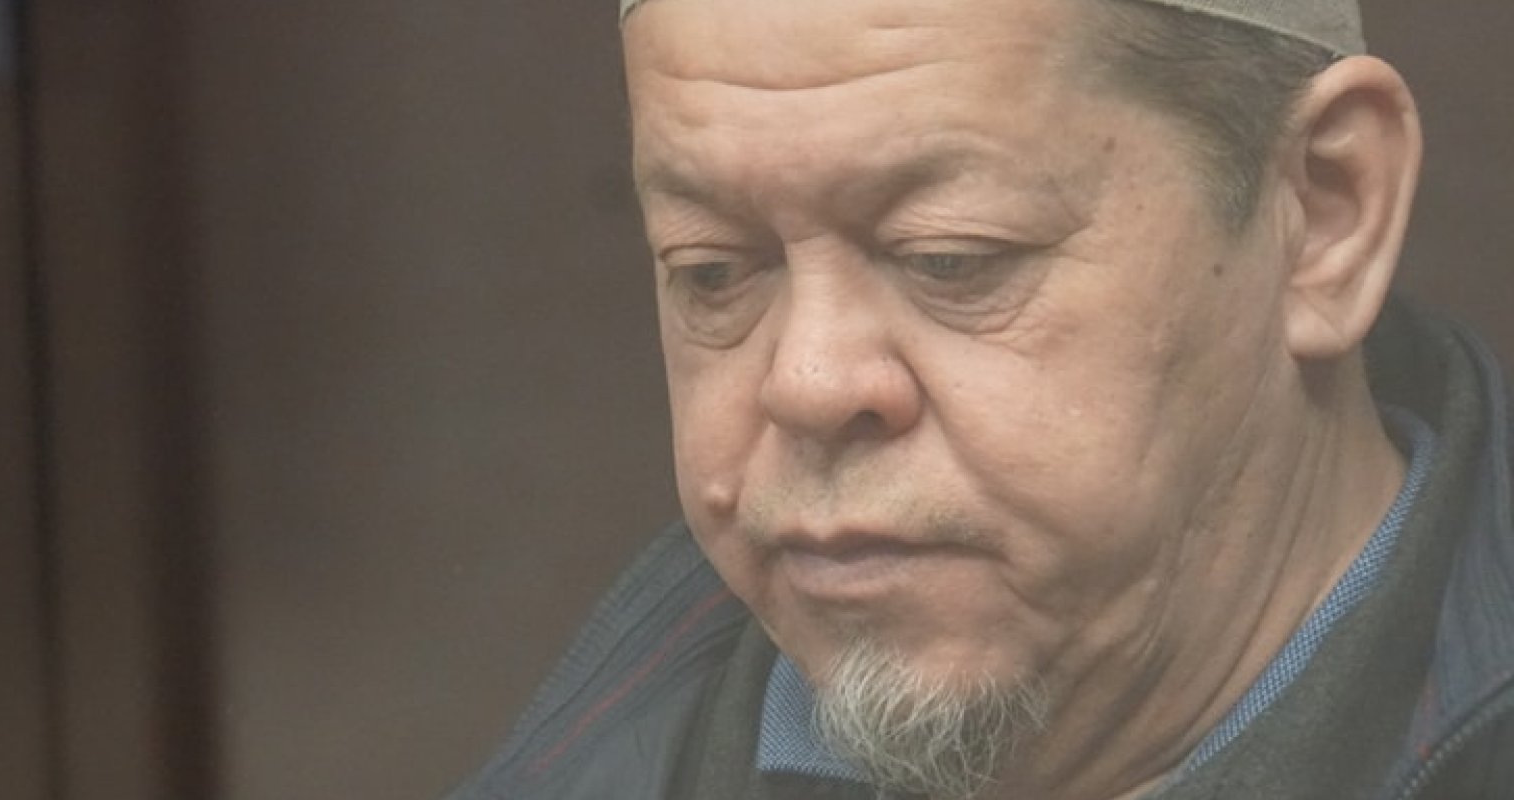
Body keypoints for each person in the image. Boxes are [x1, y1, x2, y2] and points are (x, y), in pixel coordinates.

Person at [448, 0, 1514, 797]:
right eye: (713, 270)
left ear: (1323, 212)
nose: (805, 382)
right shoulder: (605, 757)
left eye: (949, 257)